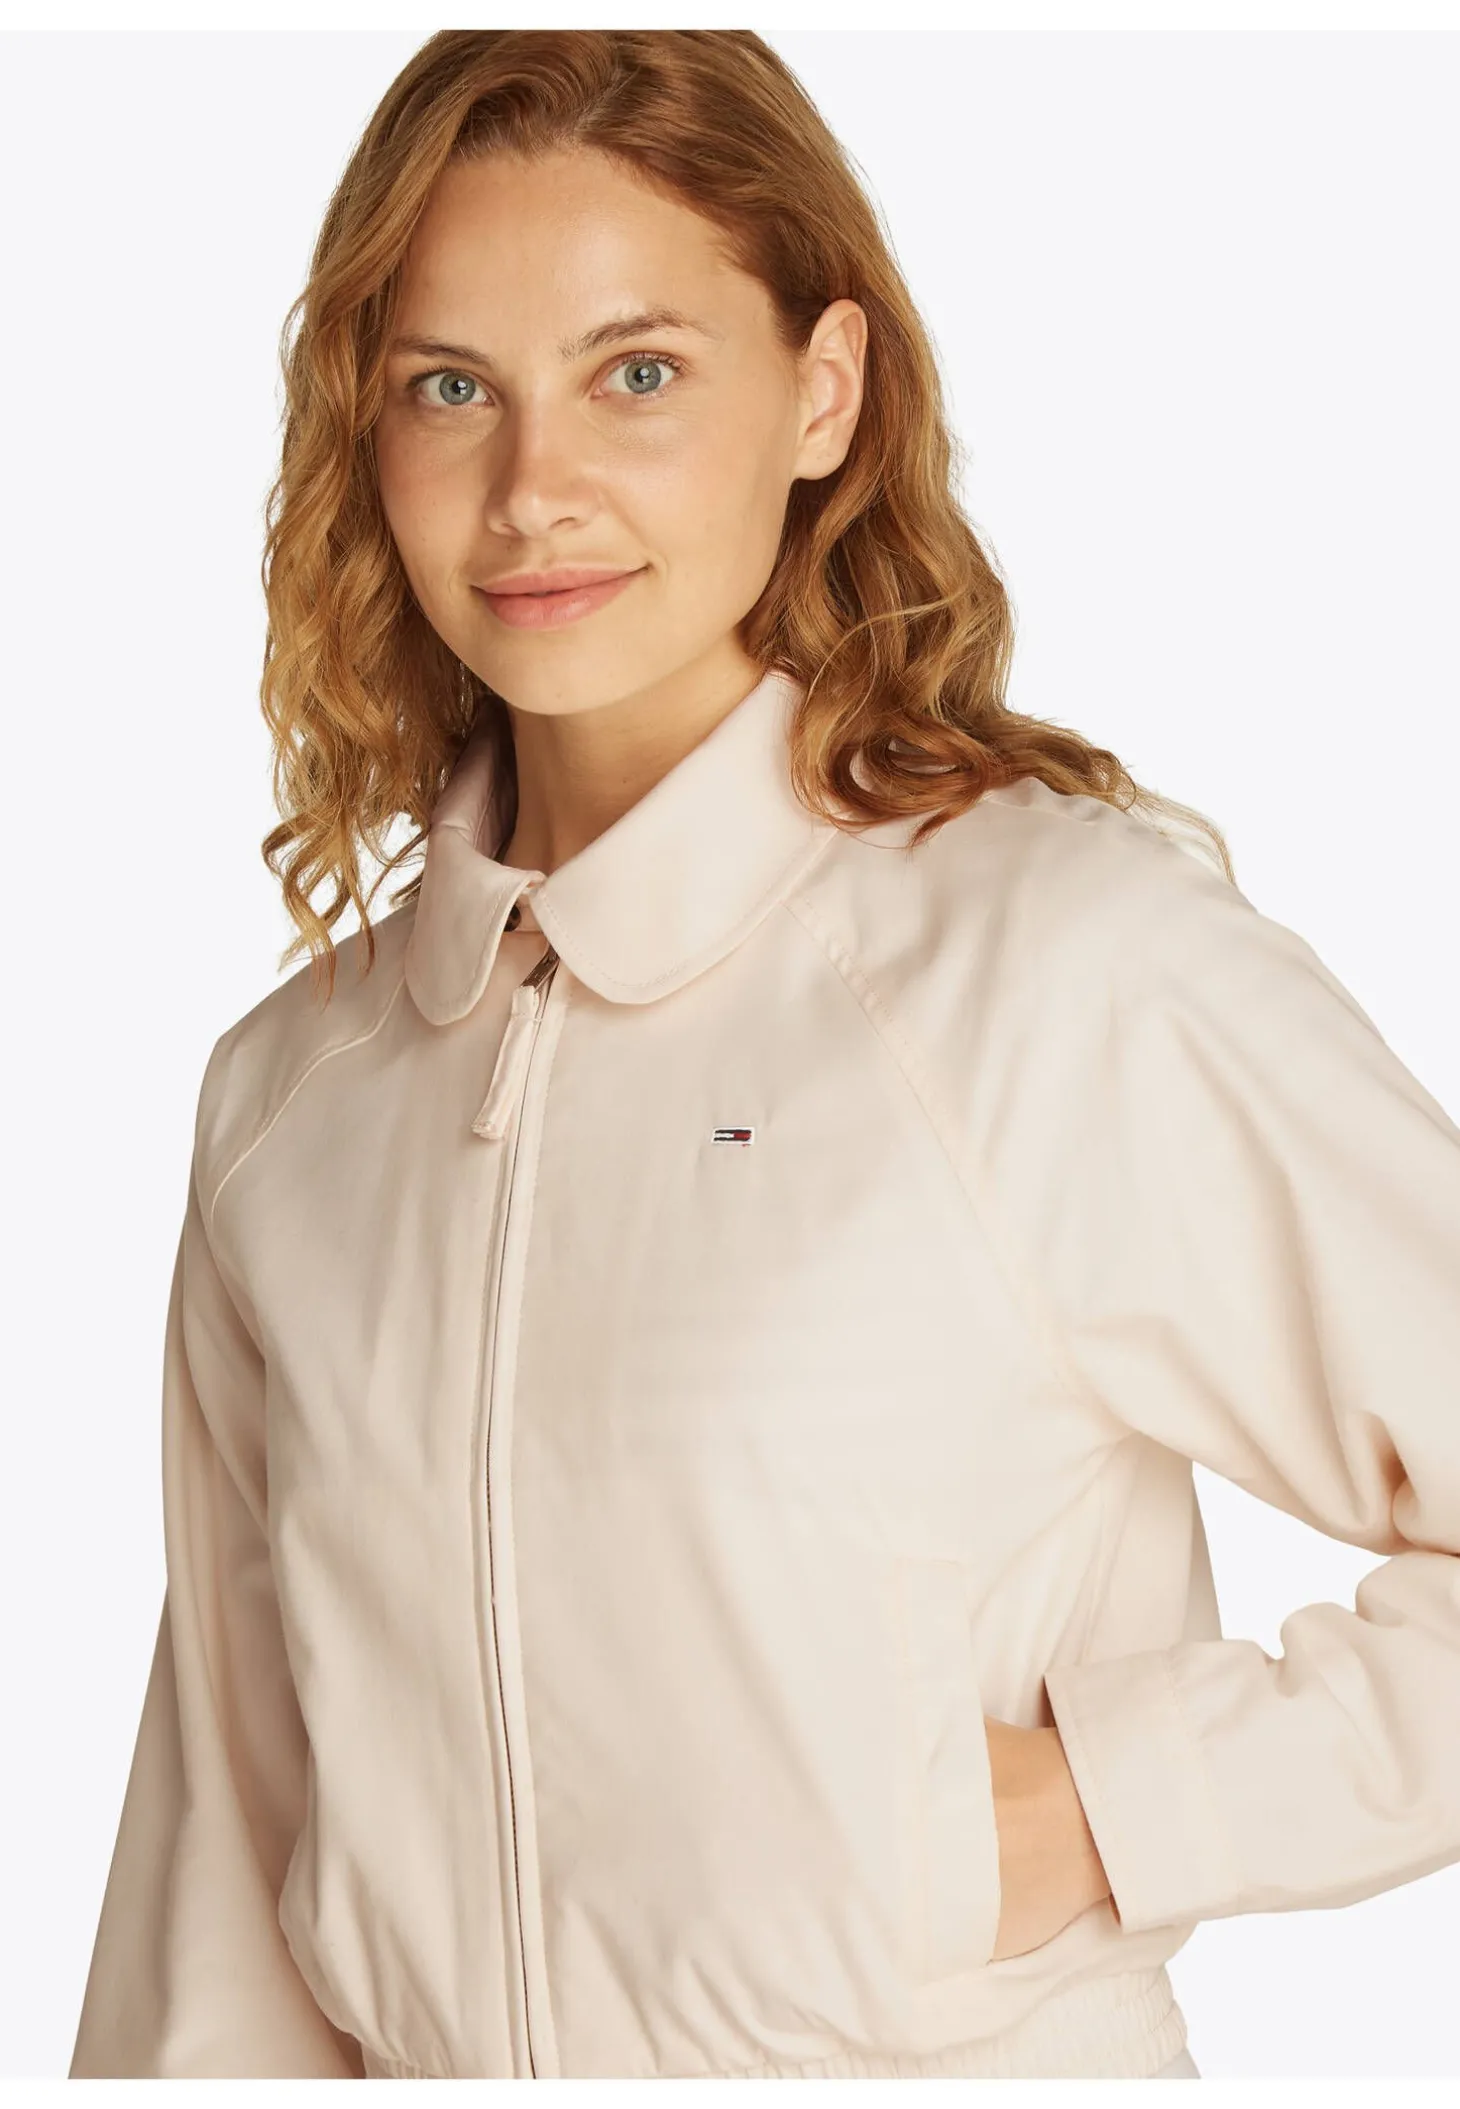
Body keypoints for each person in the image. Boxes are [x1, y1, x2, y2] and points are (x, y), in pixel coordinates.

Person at [67, 29, 1459, 2084]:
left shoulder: (1047, 966)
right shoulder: (294, 1104)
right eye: (450, 387)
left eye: (636, 373)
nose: (532, 489)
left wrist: (1101, 1808)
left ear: (824, 390)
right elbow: (224, 1861)